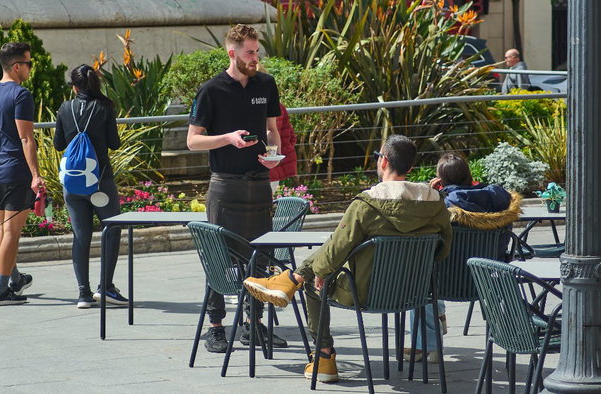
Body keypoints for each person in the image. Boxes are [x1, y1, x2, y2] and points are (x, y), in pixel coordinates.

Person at [243, 135, 453, 383]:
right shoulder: (434, 205)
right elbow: (443, 249)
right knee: (327, 258)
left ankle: (323, 358)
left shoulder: (366, 205)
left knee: (313, 283)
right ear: (409, 168)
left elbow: (337, 249)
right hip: (414, 292)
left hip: (362, 291)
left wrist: (322, 272)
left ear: (383, 162)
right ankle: (290, 279)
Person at [186, 24, 285, 354]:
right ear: (233, 53)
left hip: (259, 184)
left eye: (257, 52)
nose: (255, 58)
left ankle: (253, 324)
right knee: (219, 256)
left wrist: (273, 155)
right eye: (249, 53)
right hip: (225, 186)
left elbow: (272, 130)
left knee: (260, 256)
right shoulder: (211, 90)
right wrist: (227, 138)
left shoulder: (266, 84)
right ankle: (215, 326)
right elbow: (192, 141)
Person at [405, 152, 521, 363]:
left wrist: (431, 194)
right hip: (489, 279)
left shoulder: (442, 205)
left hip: (446, 282)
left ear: (441, 179)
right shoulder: (497, 198)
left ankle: (429, 346)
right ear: (468, 174)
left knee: (421, 281)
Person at [0, 42, 44, 306]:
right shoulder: (21, 94)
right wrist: (36, 175)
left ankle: (15, 279)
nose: (30, 68)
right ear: (16, 66)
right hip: (15, 171)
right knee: (12, 233)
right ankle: (1, 291)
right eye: (29, 63)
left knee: (5, 231)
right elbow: (26, 139)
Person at [54, 64, 125, 309]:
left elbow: (58, 144)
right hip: (100, 182)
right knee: (112, 229)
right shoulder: (105, 107)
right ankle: (105, 287)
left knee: (81, 236)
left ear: (74, 87)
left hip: (73, 184)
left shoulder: (65, 108)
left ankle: (83, 293)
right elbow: (114, 144)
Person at [256, 63, 298, 193]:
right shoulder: (279, 107)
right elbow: (290, 137)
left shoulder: (244, 106)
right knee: (265, 208)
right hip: (273, 166)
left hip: (248, 170)